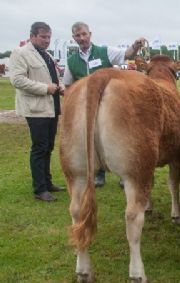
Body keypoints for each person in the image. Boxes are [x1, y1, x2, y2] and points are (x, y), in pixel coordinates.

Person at [62, 21, 146, 187]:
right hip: (87, 107)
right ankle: (98, 173)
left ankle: (124, 173)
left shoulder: (104, 52)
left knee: (120, 136)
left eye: (84, 34)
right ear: (74, 38)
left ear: (90, 34)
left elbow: (126, 54)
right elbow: (68, 86)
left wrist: (135, 46)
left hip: (111, 104)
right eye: (78, 36)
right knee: (92, 137)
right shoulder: (71, 61)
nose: (82, 38)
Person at [9, 22, 65, 202]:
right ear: (32, 36)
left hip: (51, 107)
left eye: (49, 37)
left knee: (48, 146)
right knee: (40, 148)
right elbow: (17, 80)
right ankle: (39, 189)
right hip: (36, 109)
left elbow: (52, 76)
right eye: (43, 37)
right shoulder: (21, 53)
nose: (47, 40)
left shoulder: (47, 54)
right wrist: (45, 88)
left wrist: (60, 86)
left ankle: (47, 183)